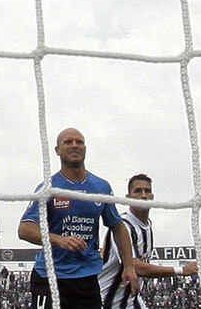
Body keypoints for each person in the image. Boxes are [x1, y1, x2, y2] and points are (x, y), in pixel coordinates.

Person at [18, 128, 140, 309]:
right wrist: (59, 240)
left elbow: (117, 226)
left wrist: (129, 267)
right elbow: (25, 229)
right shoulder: (49, 188)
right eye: (68, 142)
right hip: (51, 276)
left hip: (86, 278)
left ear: (85, 148)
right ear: (58, 150)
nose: (74, 145)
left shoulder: (101, 187)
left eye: (79, 142)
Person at [97, 174, 199, 309]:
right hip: (107, 302)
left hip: (131, 301)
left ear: (152, 197)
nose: (144, 195)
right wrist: (181, 270)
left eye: (147, 191)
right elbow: (135, 266)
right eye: (137, 191)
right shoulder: (123, 227)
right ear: (128, 198)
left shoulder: (147, 226)